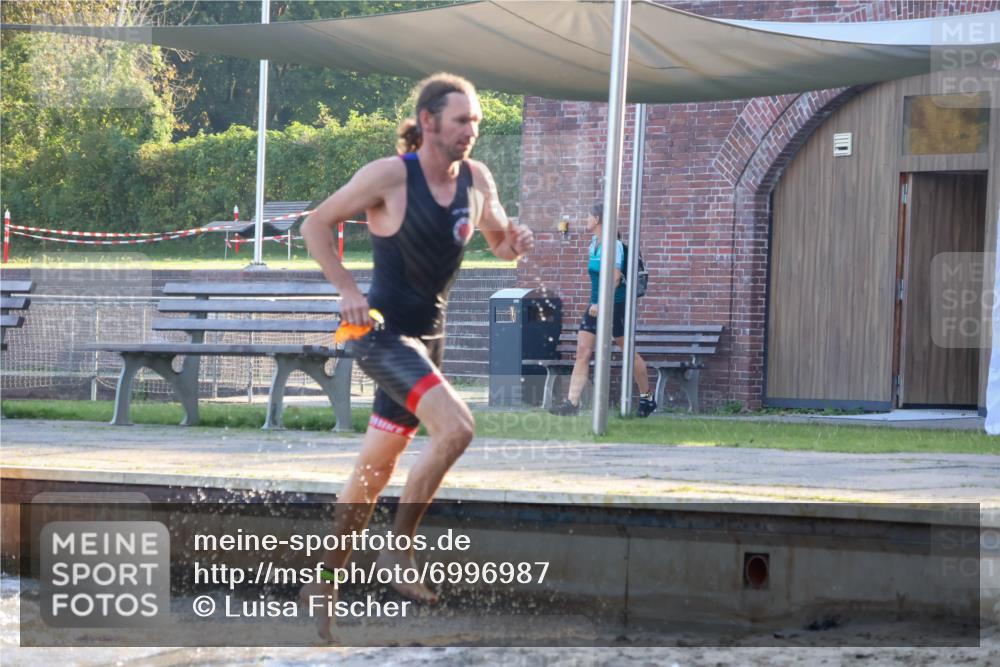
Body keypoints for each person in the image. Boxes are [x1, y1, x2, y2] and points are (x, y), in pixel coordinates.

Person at [298, 72, 534, 641]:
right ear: (428, 121)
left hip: (429, 342)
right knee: (457, 428)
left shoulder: (477, 179)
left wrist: (515, 242)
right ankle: (397, 551)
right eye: (461, 121)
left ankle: (321, 584)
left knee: (373, 474)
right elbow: (315, 223)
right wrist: (346, 288)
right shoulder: (390, 176)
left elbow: (499, 243)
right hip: (380, 334)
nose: (471, 130)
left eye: (476, 121)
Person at [549, 202, 656, 417]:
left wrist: (601, 303)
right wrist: (595, 303)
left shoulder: (614, 246)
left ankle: (647, 398)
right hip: (594, 305)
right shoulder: (594, 244)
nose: (586, 220)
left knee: (629, 353)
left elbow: (615, 278)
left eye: (588, 216)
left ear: (597, 219)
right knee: (582, 352)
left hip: (615, 306)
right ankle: (572, 403)